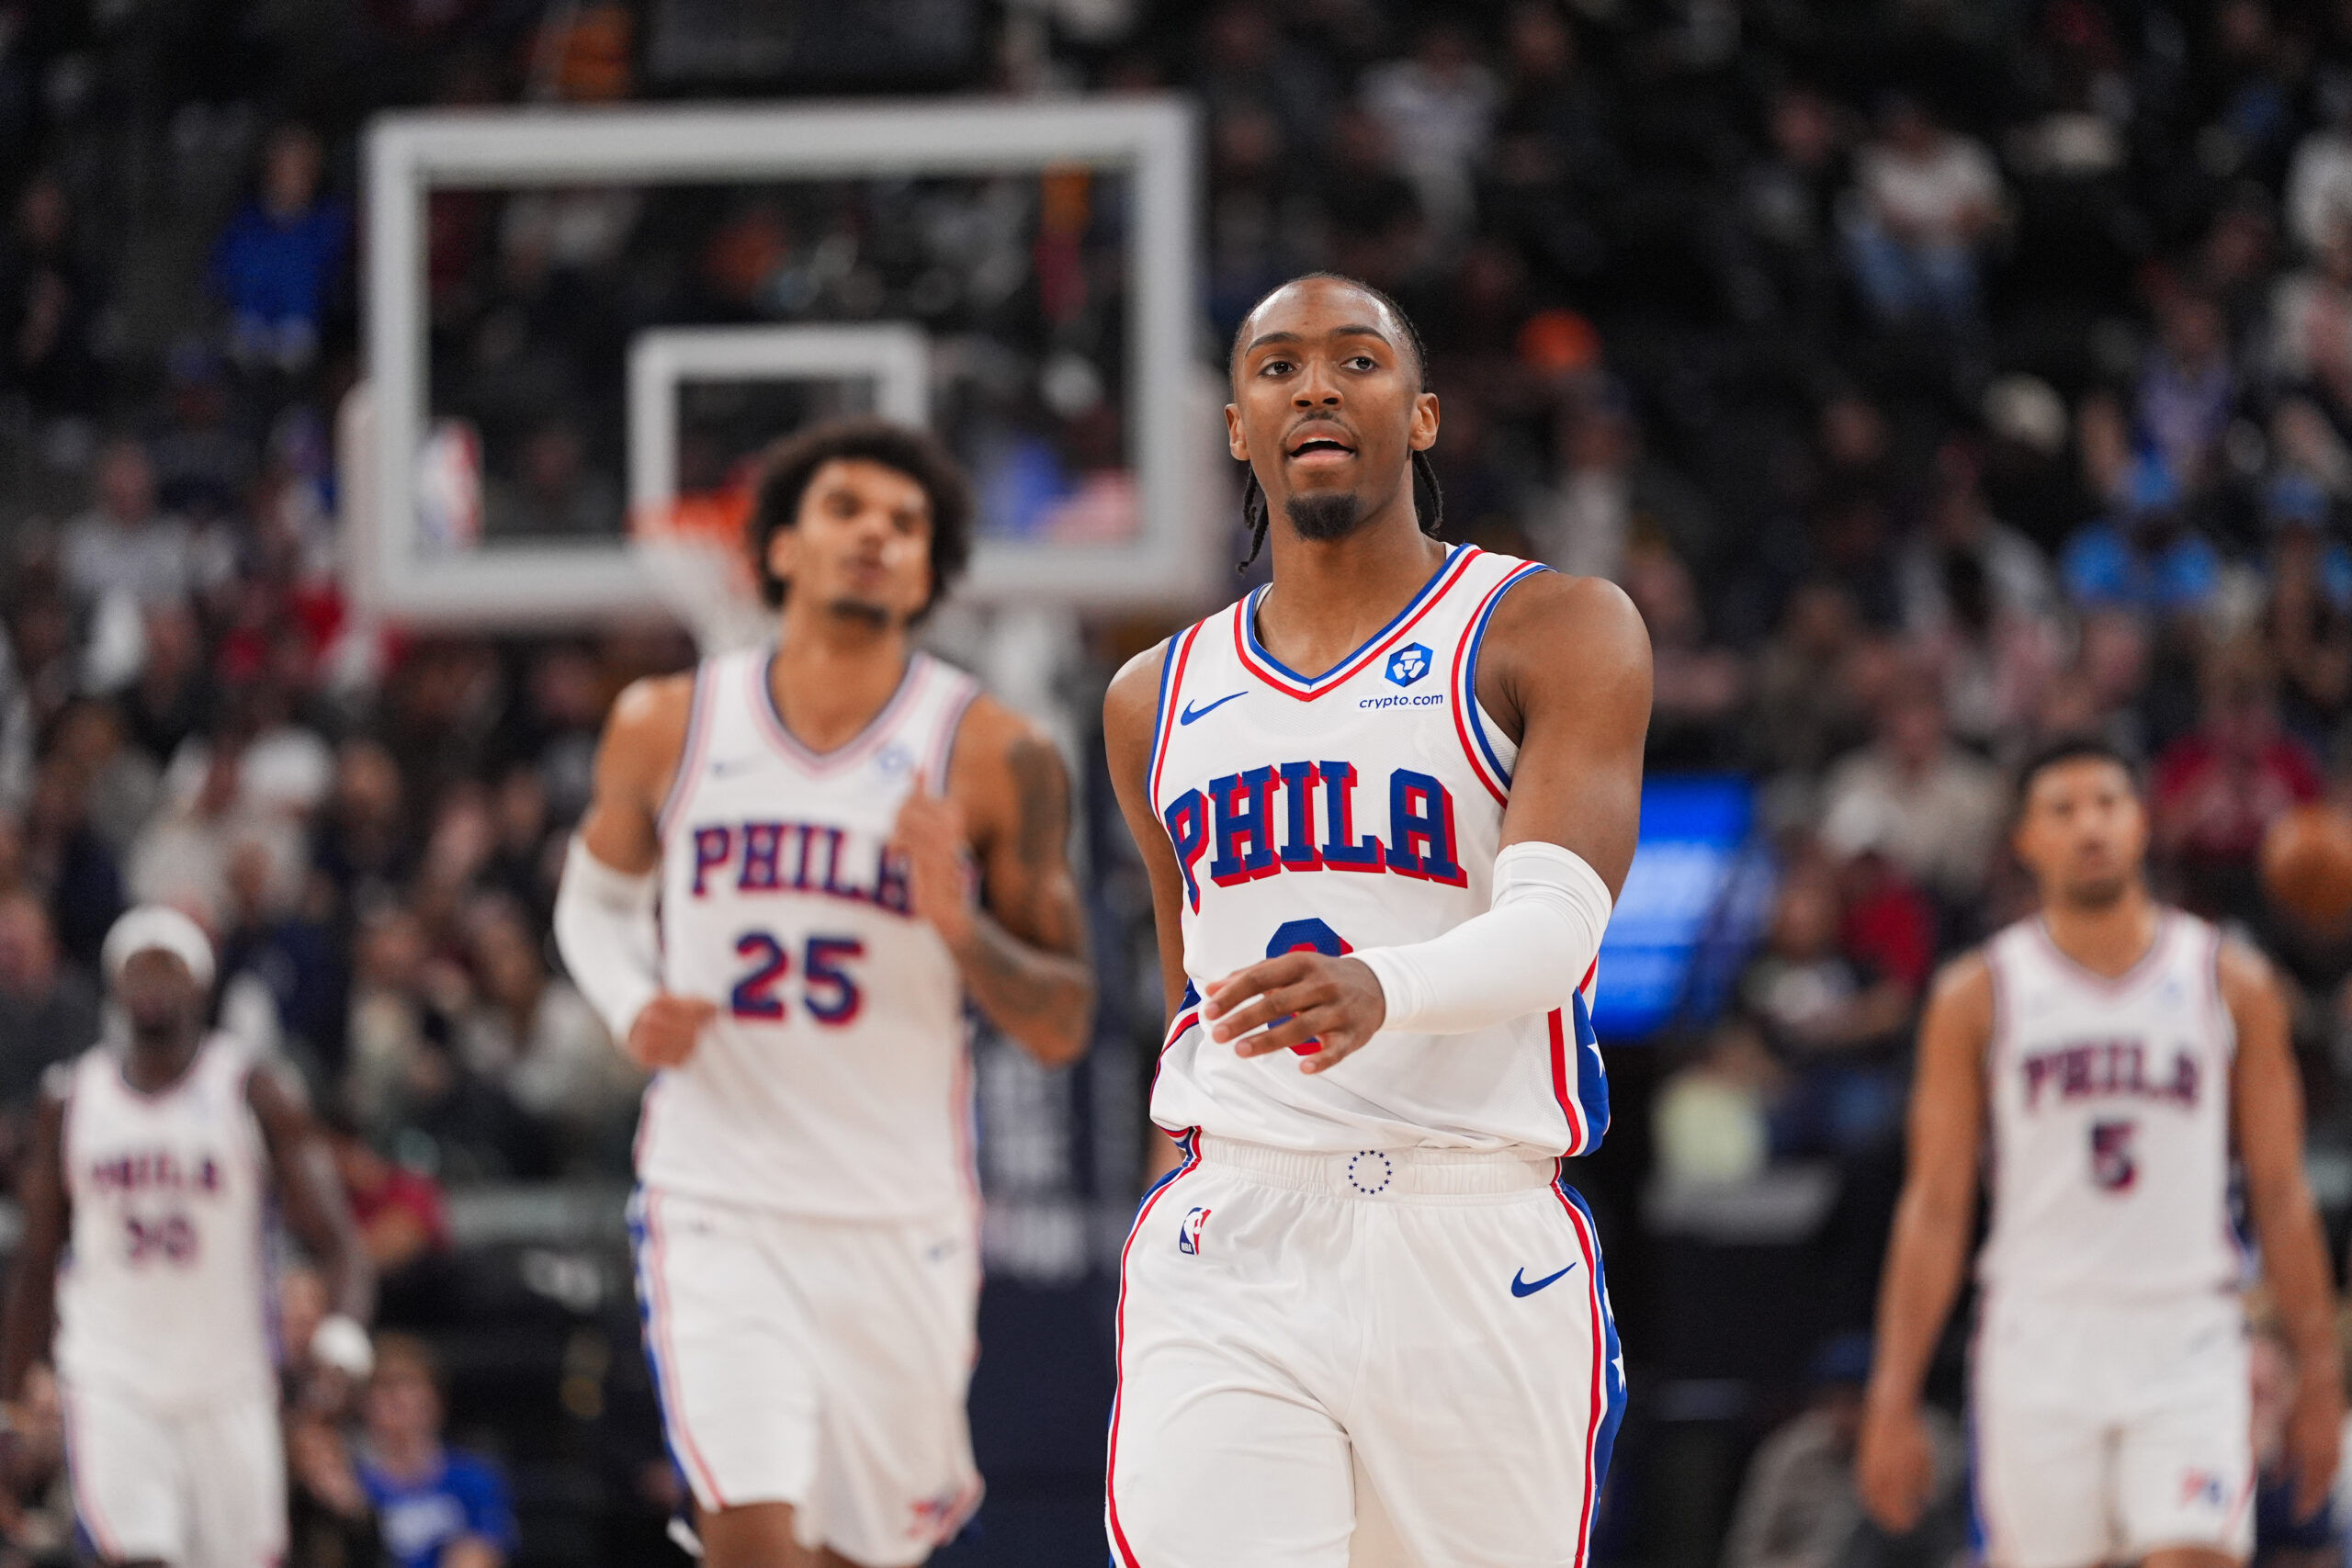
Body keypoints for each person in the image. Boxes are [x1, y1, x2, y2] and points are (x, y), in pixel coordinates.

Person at [1099, 272, 1651, 1566]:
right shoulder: (1151, 695)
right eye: (1277, 366)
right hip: (1232, 1226)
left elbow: (1559, 927)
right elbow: (1199, 1006)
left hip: (1472, 1230)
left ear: (1422, 416)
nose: (1316, 386)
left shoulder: (1552, 626)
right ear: (1238, 425)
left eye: (1357, 360)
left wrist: (1382, 987)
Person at [554, 418, 1094, 1568]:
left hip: (899, 1217)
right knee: (751, 1533)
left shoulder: (997, 755)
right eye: (847, 509)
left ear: (930, 570)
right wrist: (627, 1000)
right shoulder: (668, 722)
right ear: (780, 547)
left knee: (861, 1553)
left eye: (905, 524)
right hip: (716, 1195)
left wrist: (960, 924)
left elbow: (1062, 1021)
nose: (875, 536)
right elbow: (592, 904)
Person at [1857, 737, 2344, 1568]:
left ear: (2143, 823)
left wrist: (2320, 1370)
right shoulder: (1977, 994)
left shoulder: (2233, 982)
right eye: (2063, 809)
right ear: (2024, 841)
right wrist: (1892, 1394)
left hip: (2190, 1331)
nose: (2090, 826)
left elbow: (2280, 1190)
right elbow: (1935, 1209)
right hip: (2038, 1334)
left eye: (2108, 803)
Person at [0, 905, 376, 1568]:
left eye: (167, 967)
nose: (150, 982)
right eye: (135, 968)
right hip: (111, 1377)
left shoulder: (252, 1089)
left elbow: (339, 1239)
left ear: (200, 984)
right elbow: (36, 1259)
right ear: (113, 986)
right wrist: (7, 1397)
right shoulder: (70, 1100)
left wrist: (341, 1337)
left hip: (230, 1380)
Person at [355, 1335, 518, 1568]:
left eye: (408, 1383)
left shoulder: (473, 1480)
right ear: (365, 1404)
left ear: (436, 1400)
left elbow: (484, 1554)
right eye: (384, 1385)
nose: (396, 1397)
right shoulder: (356, 1486)